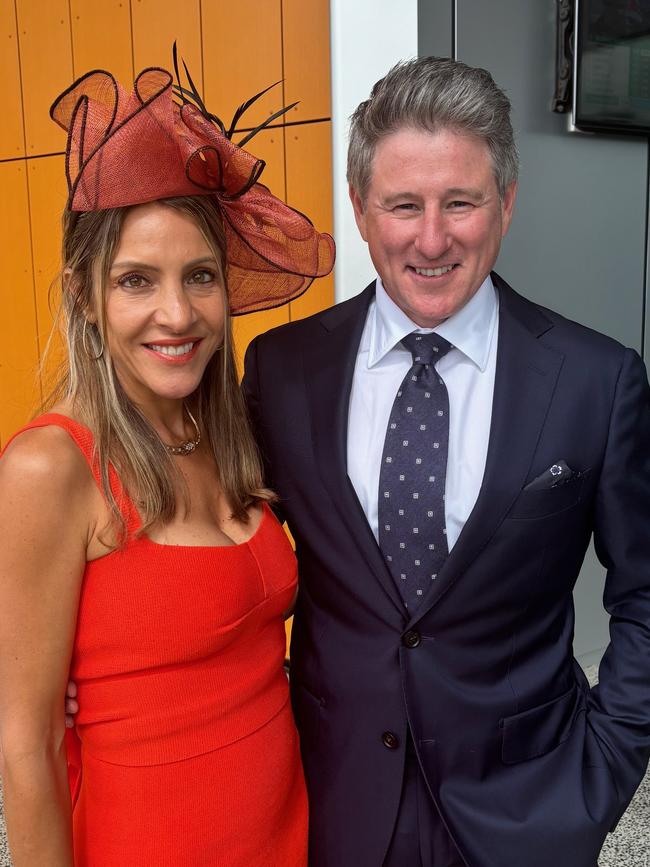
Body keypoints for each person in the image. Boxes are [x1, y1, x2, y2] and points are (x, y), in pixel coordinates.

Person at [240, 57, 650, 867]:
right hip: (332, 801)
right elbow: (224, 544)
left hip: (528, 808)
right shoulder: (282, 371)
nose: (432, 238)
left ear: (506, 203)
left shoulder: (597, 380)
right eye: (403, 204)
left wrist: (603, 768)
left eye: (460, 202)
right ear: (360, 209)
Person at [0, 63, 333, 867]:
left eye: (200, 277)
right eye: (136, 280)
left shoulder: (225, 429)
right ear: (85, 294)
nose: (176, 314)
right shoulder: (50, 467)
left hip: (288, 835)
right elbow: (26, 746)